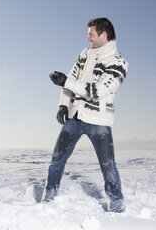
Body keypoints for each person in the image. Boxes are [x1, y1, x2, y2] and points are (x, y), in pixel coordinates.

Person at [42, 18, 128, 213]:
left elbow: (98, 91)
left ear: (103, 35)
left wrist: (66, 83)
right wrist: (63, 105)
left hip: (99, 121)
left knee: (108, 167)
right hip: (75, 117)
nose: (87, 37)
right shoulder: (84, 54)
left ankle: (116, 205)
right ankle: (49, 199)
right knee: (56, 161)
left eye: (91, 33)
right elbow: (71, 79)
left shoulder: (119, 62)